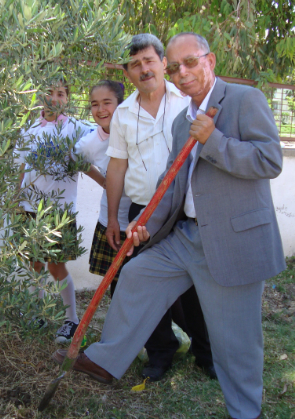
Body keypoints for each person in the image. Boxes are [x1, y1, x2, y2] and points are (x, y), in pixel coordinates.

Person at [53, 32, 285, 419]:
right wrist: (144, 226)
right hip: (185, 234)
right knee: (138, 275)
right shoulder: (183, 122)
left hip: (230, 239)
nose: (182, 73)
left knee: (235, 334)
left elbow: (268, 160)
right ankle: (107, 361)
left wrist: (213, 140)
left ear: (209, 60)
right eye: (176, 67)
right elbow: (171, 185)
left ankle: (245, 408)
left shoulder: (246, 101)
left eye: (189, 63)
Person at [105, 33, 214, 381]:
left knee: (196, 286)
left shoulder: (187, 102)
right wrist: (113, 217)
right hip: (143, 212)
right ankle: (161, 352)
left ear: (163, 63)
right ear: (128, 73)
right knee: (141, 282)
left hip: (183, 210)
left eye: (149, 60)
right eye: (135, 64)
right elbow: (117, 167)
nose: (143, 69)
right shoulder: (122, 114)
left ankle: (207, 352)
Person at [15, 82, 103, 344]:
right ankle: (38, 313)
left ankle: (71, 320)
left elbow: (92, 155)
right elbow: (22, 168)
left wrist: (109, 182)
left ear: (67, 99)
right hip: (30, 208)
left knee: (56, 267)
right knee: (34, 264)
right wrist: (15, 199)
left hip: (59, 212)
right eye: (49, 92)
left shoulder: (77, 128)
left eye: (61, 94)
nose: (54, 98)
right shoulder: (28, 129)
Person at [74, 80, 132, 297]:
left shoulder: (135, 131)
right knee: (118, 283)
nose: (100, 110)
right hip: (113, 221)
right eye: (94, 104)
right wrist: (102, 180)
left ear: (121, 103)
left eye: (107, 103)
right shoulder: (91, 141)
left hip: (143, 218)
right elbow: (76, 159)